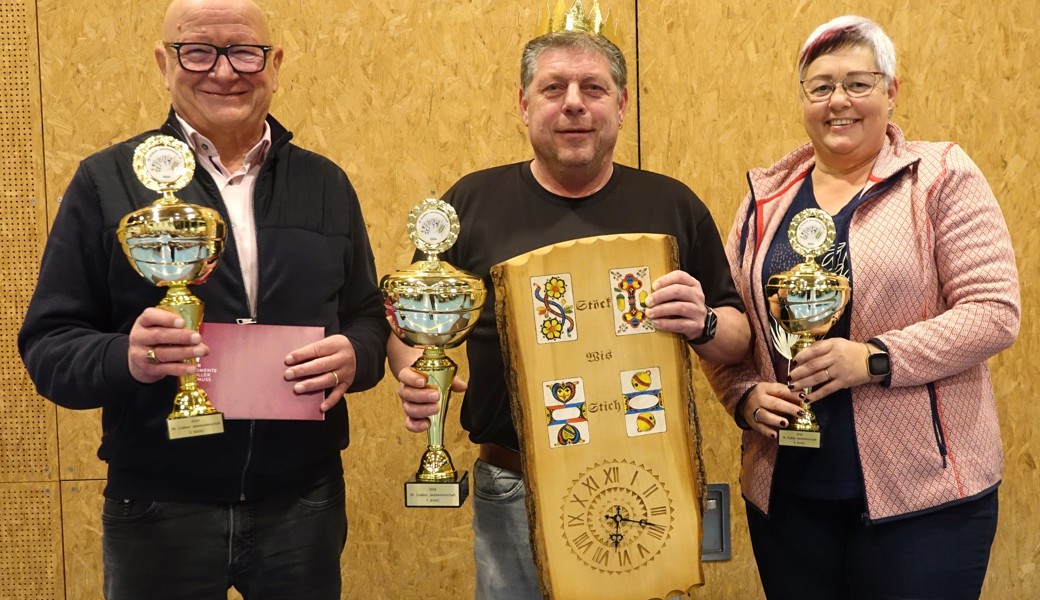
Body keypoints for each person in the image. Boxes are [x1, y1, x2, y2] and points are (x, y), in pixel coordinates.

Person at [17, 1, 388, 598]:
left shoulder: (326, 184)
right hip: (159, 507)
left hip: (303, 501)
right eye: (197, 51)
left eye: (245, 51)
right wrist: (126, 358)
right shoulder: (105, 182)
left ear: (275, 63)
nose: (223, 71)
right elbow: (49, 345)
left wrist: (357, 356)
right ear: (164, 63)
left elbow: (367, 317)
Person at [387, 25, 751, 600]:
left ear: (622, 105)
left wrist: (703, 321)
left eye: (594, 88)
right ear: (524, 104)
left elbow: (737, 336)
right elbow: (410, 321)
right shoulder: (470, 203)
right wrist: (412, 370)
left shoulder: (672, 204)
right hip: (513, 483)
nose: (574, 103)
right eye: (554, 88)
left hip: (647, 480)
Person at [704, 15, 1021, 600]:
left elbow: (994, 310)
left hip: (925, 499)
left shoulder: (940, 176)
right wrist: (742, 394)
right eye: (820, 87)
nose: (837, 102)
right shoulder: (765, 199)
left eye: (858, 83)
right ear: (803, 99)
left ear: (891, 92)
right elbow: (732, 323)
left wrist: (874, 359)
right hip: (788, 493)